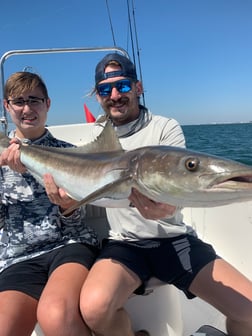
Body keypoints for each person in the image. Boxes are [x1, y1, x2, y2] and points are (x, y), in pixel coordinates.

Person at [78, 53, 252, 336]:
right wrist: (66, 200)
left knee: (249, 311)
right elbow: (83, 192)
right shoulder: (98, 139)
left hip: (174, 240)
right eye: (105, 89)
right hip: (126, 244)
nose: (115, 95)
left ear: (138, 87)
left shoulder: (164, 127)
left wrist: (167, 208)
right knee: (94, 309)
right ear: (98, 96)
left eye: (122, 86)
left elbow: (178, 186)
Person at [0, 71, 99, 336]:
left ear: (48, 104)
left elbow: (78, 220)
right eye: (18, 101)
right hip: (19, 256)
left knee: (55, 315)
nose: (27, 108)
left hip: (68, 244)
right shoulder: (1, 156)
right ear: (6, 106)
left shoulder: (69, 154)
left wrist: (68, 206)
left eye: (35, 100)